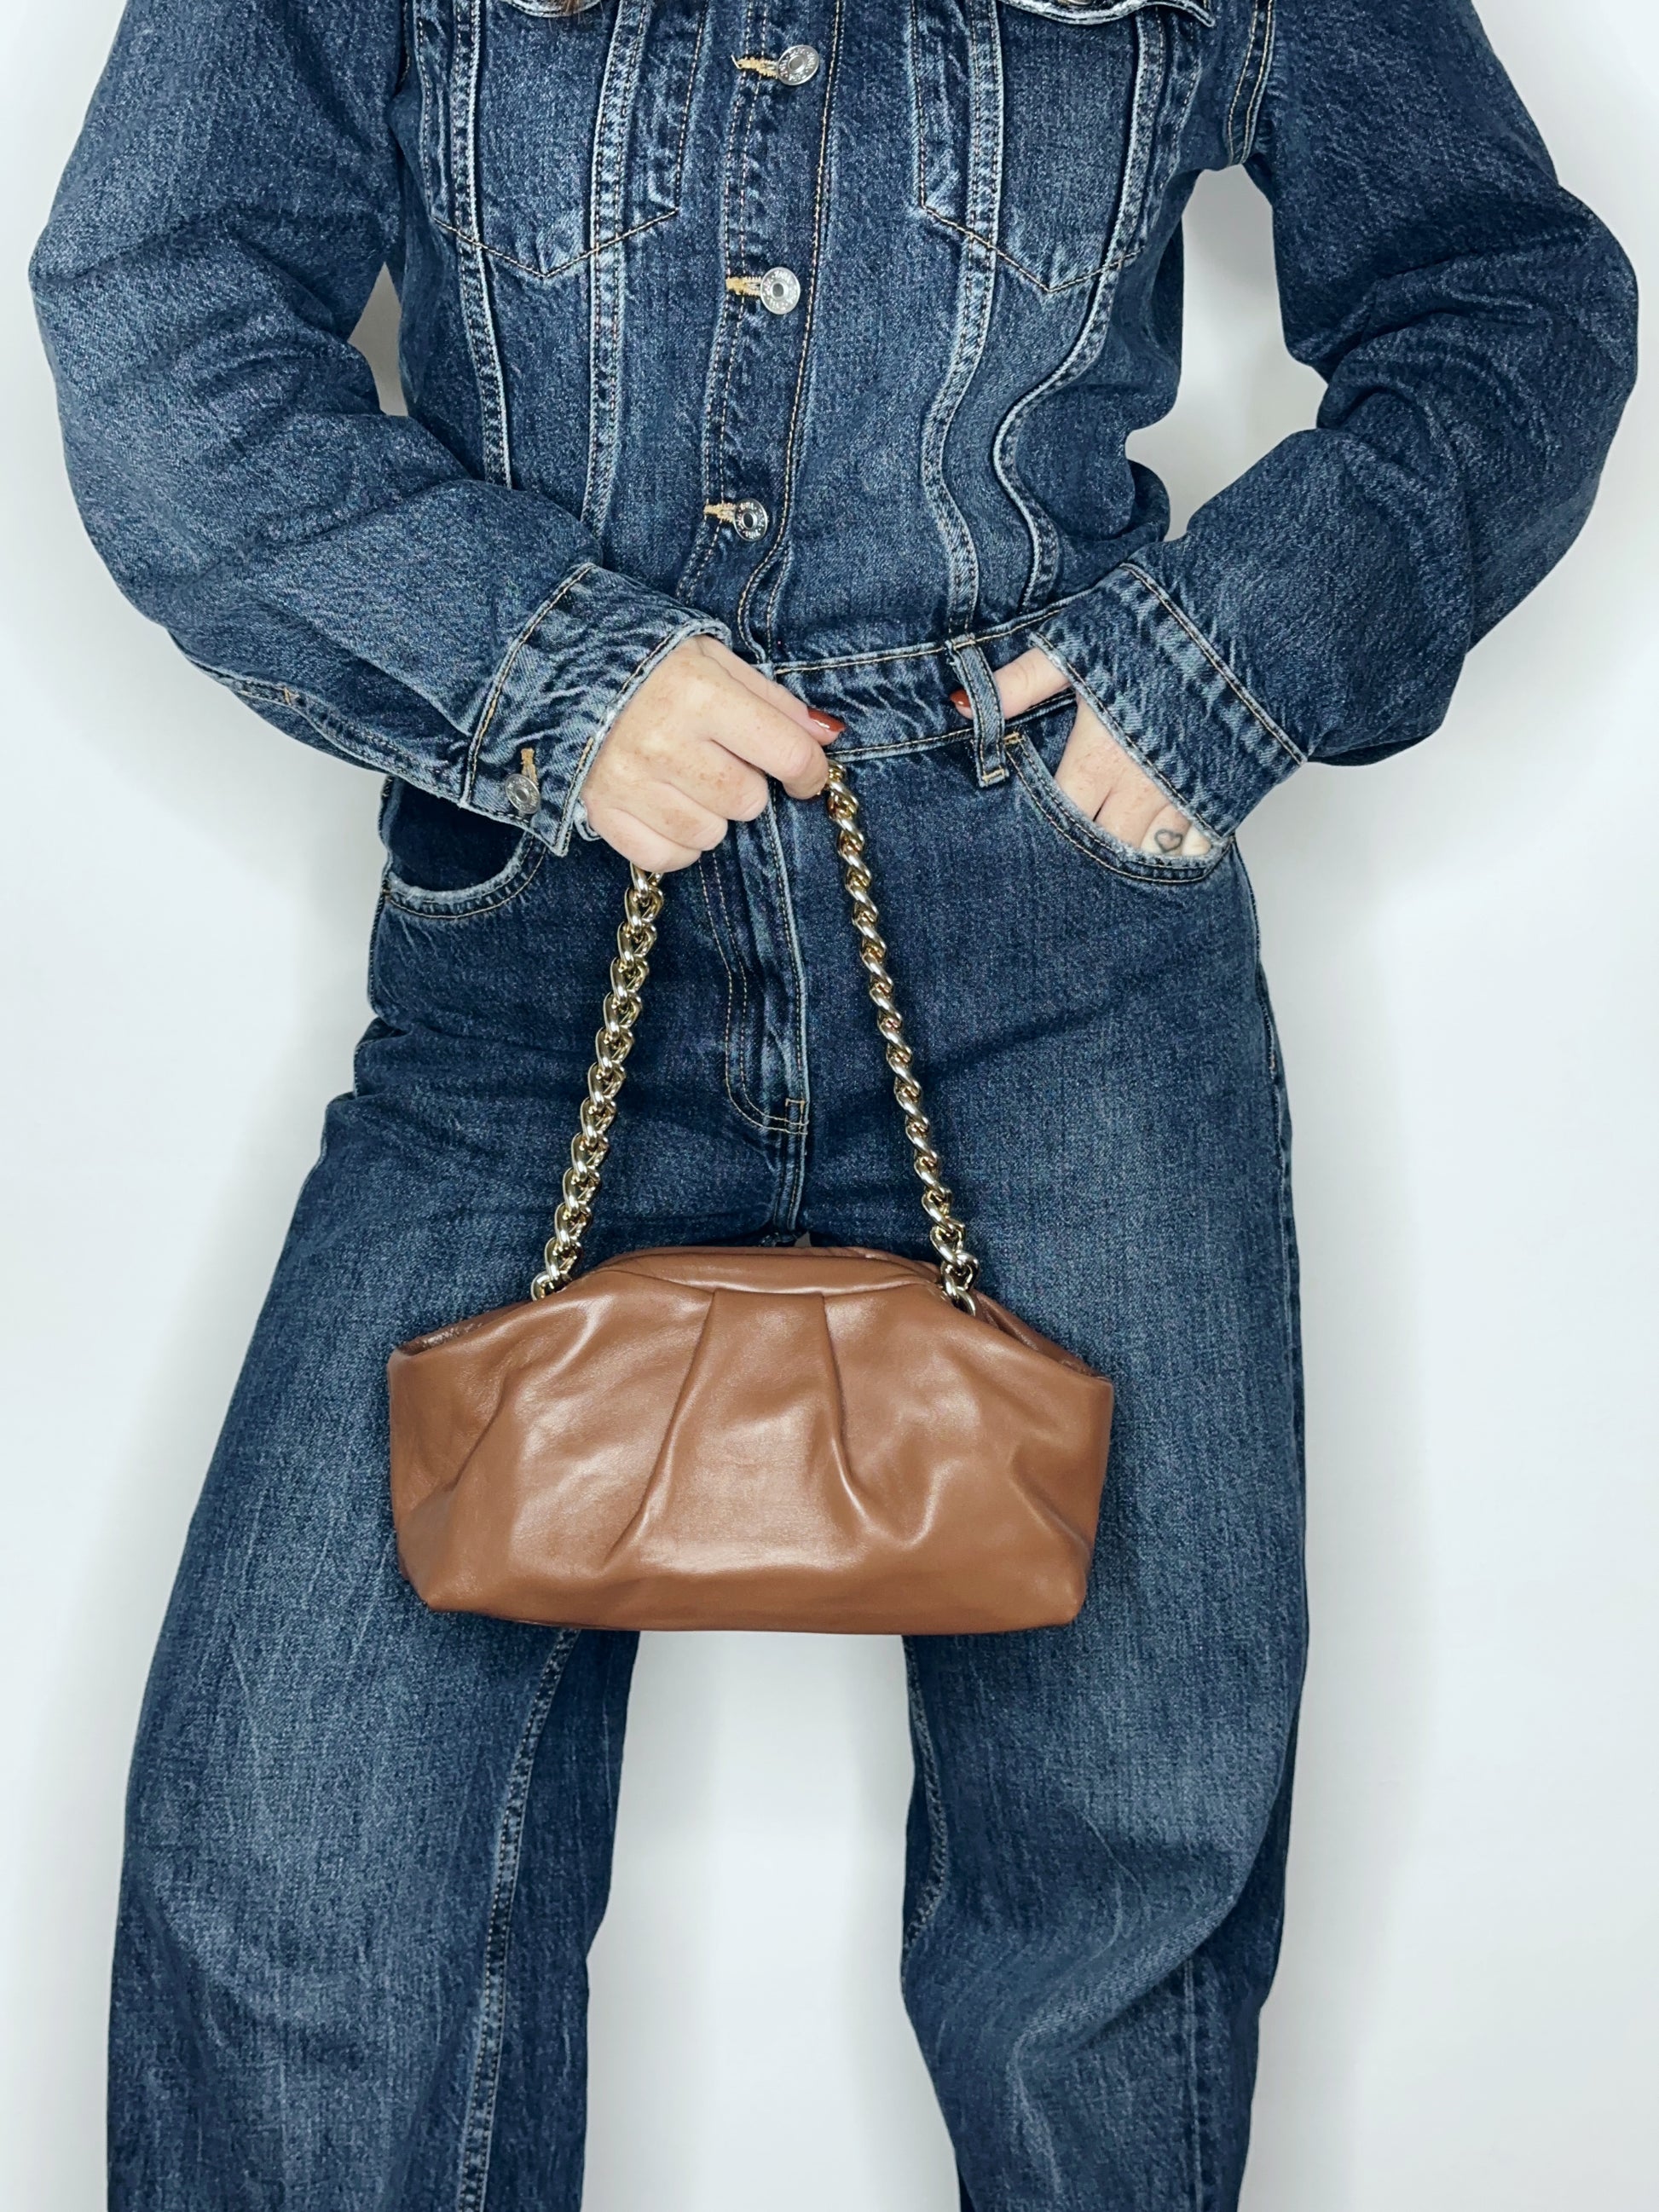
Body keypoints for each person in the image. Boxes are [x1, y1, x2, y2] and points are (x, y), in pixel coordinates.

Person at [32, 2, 1634, 2206]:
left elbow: (1507, 297)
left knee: (1111, 1915)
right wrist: (542, 672)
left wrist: (1219, 666)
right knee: (300, 1885)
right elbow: (160, 303)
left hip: (1058, 944)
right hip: (541, 948)